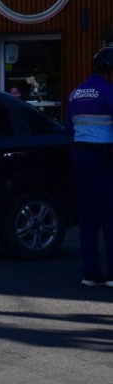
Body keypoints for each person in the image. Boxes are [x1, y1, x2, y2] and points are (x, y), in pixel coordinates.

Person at [66, 46, 113, 286]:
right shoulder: (109, 92)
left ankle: (90, 273)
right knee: (110, 215)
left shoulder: (75, 94)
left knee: (88, 216)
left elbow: (69, 131)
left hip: (79, 157)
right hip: (103, 158)